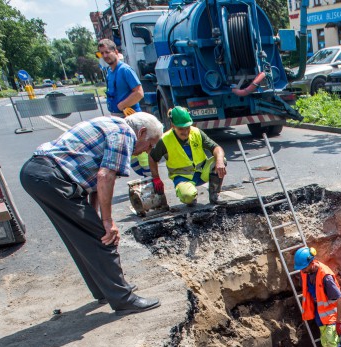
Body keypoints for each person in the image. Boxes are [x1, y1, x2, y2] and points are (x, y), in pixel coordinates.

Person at [19, 112, 163, 314]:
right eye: (150, 144)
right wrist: (107, 221)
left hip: (38, 174)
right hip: (53, 178)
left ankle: (105, 290)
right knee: (103, 238)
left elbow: (96, 181)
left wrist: (95, 217)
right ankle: (123, 299)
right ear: (141, 132)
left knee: (82, 237)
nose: (148, 150)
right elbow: (106, 176)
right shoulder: (124, 134)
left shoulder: (110, 124)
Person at [148, 107, 227, 205]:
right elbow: (152, 157)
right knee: (188, 196)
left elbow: (216, 148)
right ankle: (190, 196)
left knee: (221, 159)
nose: (185, 132)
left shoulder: (196, 132)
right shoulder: (165, 140)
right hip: (182, 177)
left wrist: (219, 161)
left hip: (202, 172)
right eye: (181, 128)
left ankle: (214, 194)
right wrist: (156, 178)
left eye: (187, 128)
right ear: (173, 125)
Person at [294, 247, 341, 347]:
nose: (302, 271)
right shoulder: (305, 272)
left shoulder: (326, 277)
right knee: (327, 342)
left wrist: (339, 322)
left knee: (331, 345)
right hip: (319, 313)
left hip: (331, 315)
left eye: (303, 268)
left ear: (312, 263)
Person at [97, 39, 143, 116]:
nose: (105, 56)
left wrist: (121, 105)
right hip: (117, 116)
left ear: (116, 52)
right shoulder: (109, 72)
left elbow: (139, 93)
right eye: (102, 53)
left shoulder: (125, 70)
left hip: (131, 117)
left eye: (107, 52)